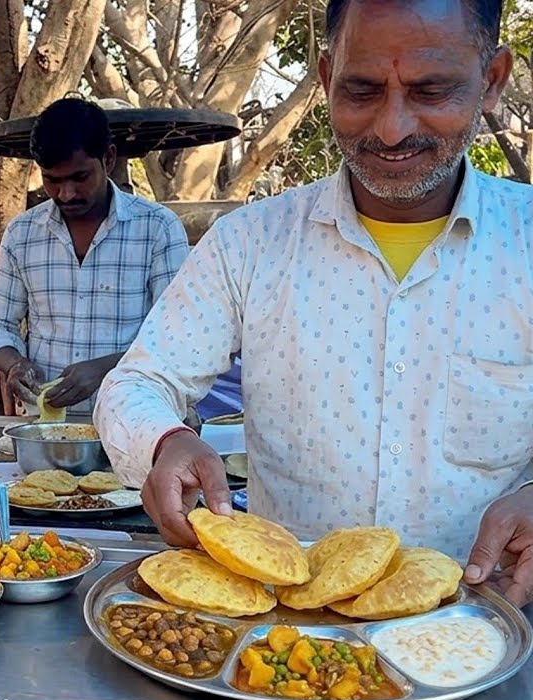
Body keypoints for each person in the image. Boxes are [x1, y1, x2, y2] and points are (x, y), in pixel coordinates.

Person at [96, 0, 533, 606]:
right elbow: (137, 383)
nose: (391, 127)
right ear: (326, 79)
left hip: (497, 632)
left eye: (431, 90)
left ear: (492, 81)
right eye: (361, 90)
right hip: (284, 647)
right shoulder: (248, 243)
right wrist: (166, 441)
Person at [0, 98, 190, 416]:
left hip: (137, 418)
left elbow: (179, 336)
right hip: (45, 426)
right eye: (53, 180)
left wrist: (105, 368)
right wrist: (14, 364)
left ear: (108, 158)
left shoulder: (158, 228)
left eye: (79, 178)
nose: (66, 194)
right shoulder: (22, 234)